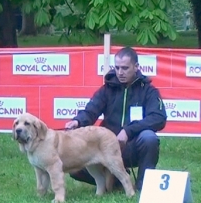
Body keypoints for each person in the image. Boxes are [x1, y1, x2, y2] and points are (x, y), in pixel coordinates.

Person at [65, 46, 166, 191]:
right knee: (74, 169)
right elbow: (91, 110)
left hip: (133, 147)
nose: (120, 72)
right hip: (106, 147)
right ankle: (118, 182)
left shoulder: (149, 90)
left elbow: (158, 118)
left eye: (125, 68)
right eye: (117, 68)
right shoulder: (107, 89)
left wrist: (128, 131)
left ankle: (144, 187)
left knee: (149, 138)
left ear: (136, 67)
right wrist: (78, 121)